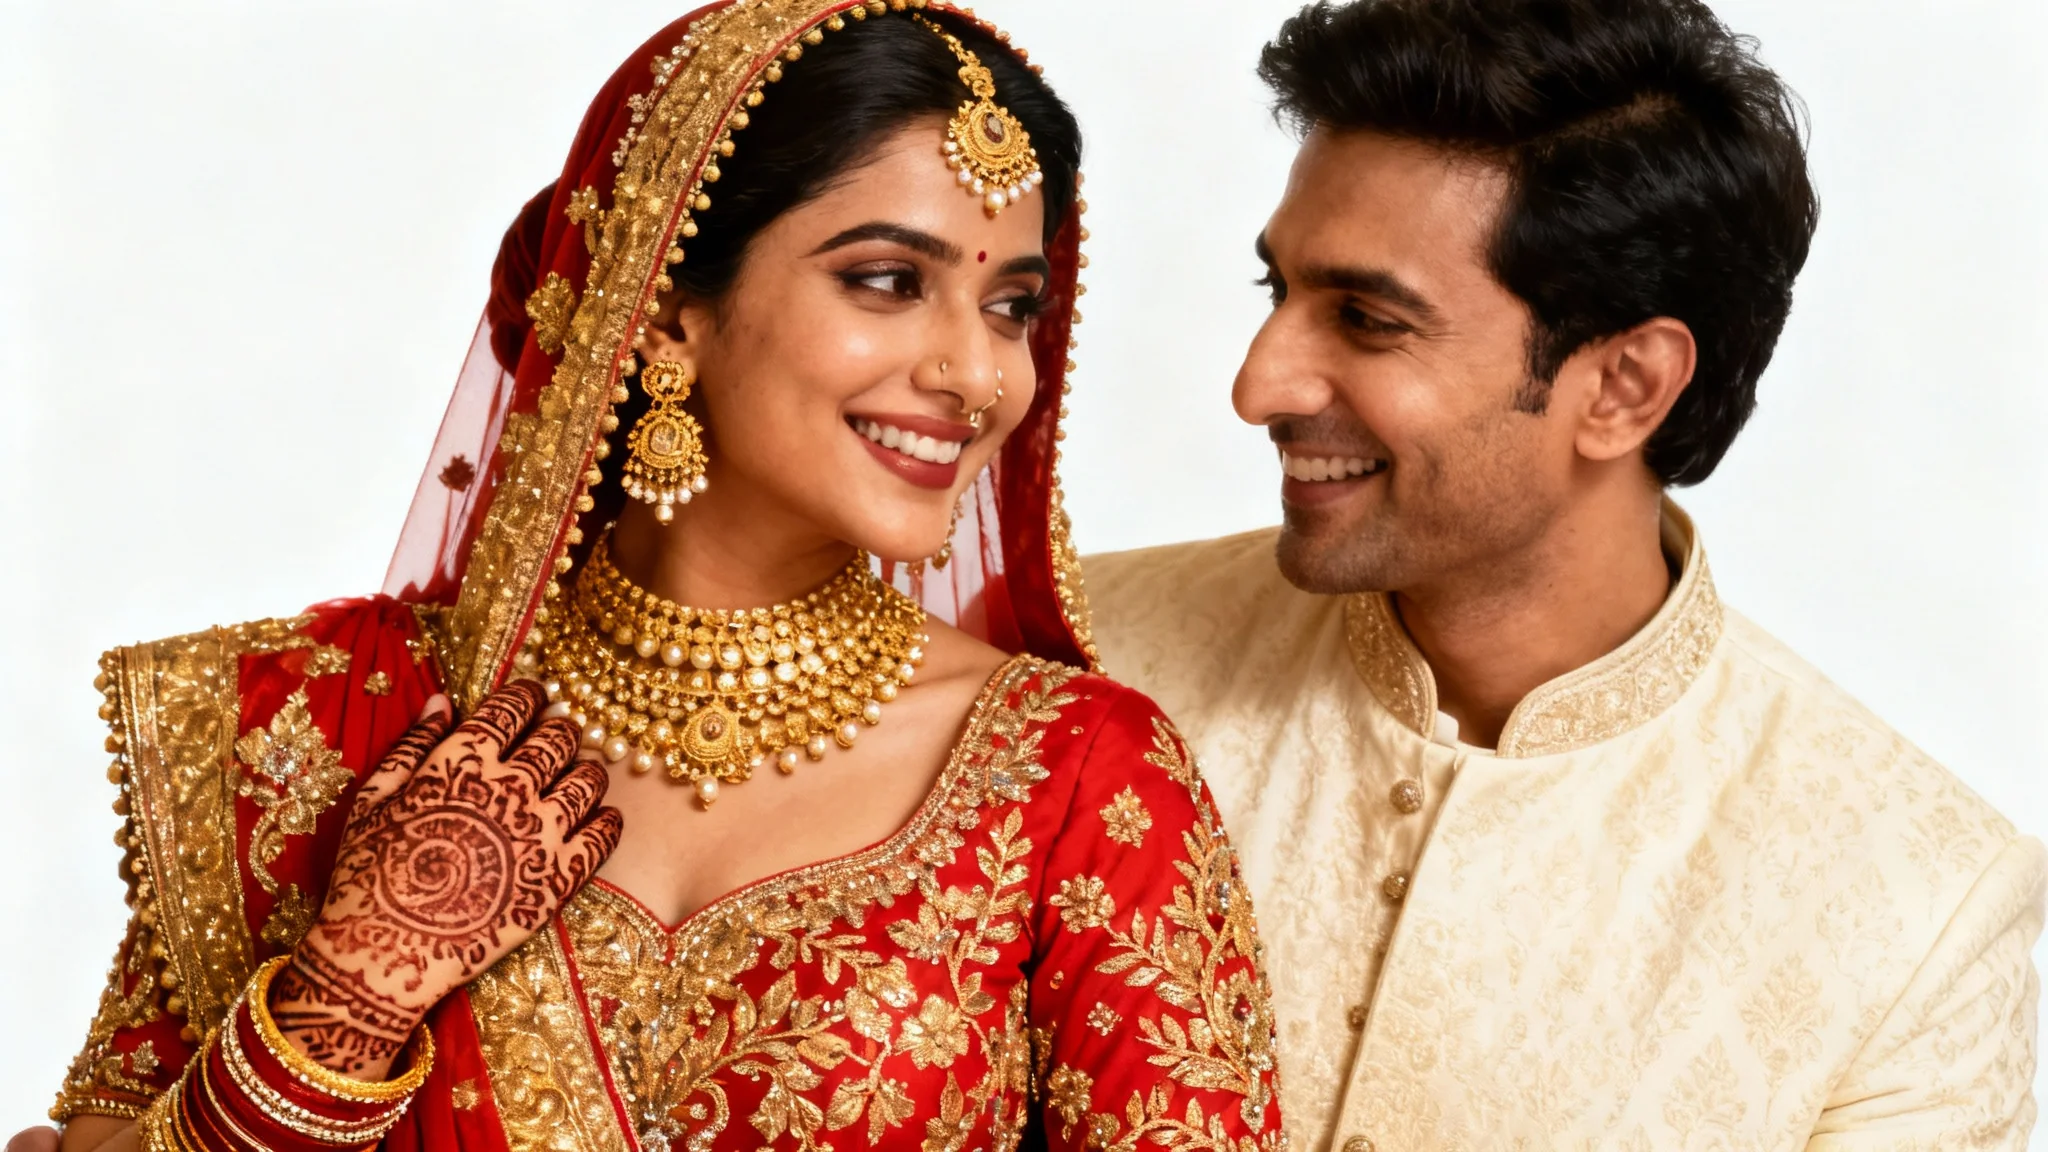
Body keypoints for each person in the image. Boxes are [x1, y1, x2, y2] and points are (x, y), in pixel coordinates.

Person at [29, 3, 1283, 1151]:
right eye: (888, 282)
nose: (977, 373)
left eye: (1011, 306)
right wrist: (348, 995)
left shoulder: (1071, 776)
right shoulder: (323, 723)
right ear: (671, 300)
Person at [1085, 0, 2043, 1148]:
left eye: (1366, 319)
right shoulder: (1076, 659)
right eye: (1274, 292)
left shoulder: (1914, 905)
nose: (1260, 385)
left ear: (1624, 387)